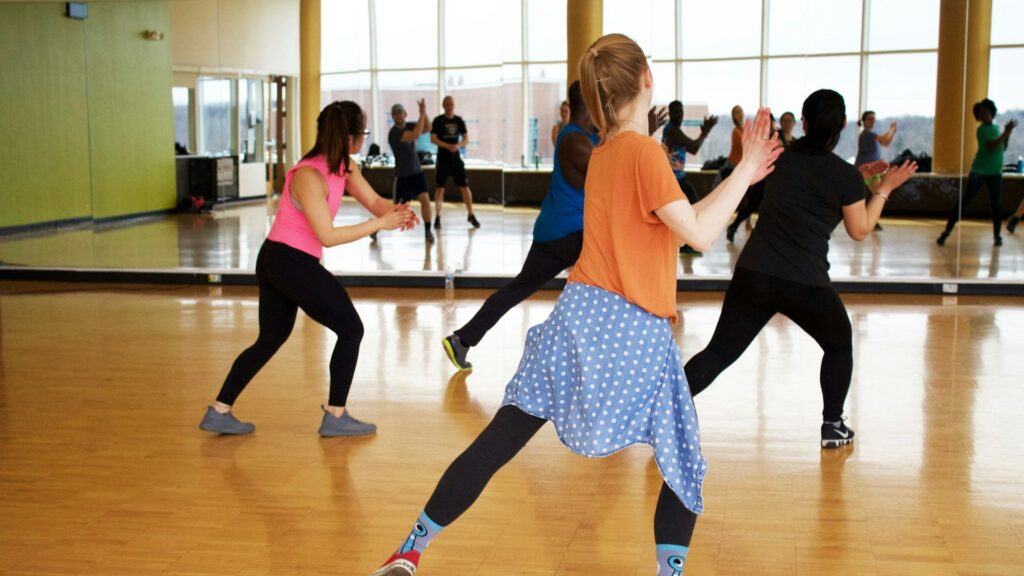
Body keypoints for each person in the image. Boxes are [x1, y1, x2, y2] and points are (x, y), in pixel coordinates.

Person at [370, 33, 781, 576]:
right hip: (634, 326)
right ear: (646, 81)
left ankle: (411, 548)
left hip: (579, 313)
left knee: (501, 438)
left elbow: (678, 229)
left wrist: (741, 176)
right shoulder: (644, 153)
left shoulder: (607, 152)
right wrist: (746, 170)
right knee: (682, 456)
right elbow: (702, 235)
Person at [683, 89, 917, 450]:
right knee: (839, 343)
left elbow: (805, 177)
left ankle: (664, 410)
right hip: (804, 282)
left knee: (718, 352)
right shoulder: (843, 176)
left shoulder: (779, 157)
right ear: (842, 125)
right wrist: (883, 187)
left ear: (803, 122)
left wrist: (856, 177)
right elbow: (860, 229)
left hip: (754, 274)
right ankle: (833, 425)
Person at [198, 101, 418, 437]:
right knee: (351, 329)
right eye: (361, 132)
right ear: (349, 136)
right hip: (287, 262)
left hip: (284, 260)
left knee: (270, 338)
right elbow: (327, 237)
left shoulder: (345, 167)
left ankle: (219, 410)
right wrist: (379, 224)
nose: (362, 139)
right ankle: (336, 415)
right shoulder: (308, 175)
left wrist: (397, 212)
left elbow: (375, 202)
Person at [441, 82, 664, 372]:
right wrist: (639, 131)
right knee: (616, 282)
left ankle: (462, 339)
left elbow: (612, 151)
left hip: (557, 231)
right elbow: (616, 168)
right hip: (568, 234)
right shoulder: (575, 142)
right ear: (591, 105)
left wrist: (636, 131)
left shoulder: (586, 137)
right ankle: (607, 357)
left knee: (526, 289)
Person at [937, 99, 1017, 247]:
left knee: (996, 205)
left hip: (995, 172)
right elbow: (992, 145)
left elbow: (1003, 147)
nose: (984, 115)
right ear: (978, 117)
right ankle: (946, 232)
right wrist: (1006, 132)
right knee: (965, 202)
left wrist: (1008, 133)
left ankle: (997, 236)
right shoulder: (981, 130)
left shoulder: (996, 128)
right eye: (981, 113)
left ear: (992, 113)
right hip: (979, 171)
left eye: (986, 112)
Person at [388, 100, 435, 244]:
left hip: (417, 174)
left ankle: (428, 230)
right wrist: (421, 114)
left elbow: (427, 127)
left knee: (425, 201)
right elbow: (415, 135)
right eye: (394, 113)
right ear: (392, 117)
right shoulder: (394, 133)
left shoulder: (409, 125)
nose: (397, 115)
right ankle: (375, 229)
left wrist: (424, 112)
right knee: (397, 210)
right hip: (403, 177)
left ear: (405, 114)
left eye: (399, 112)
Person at [726, 113, 776, 243]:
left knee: (765, 206)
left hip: (773, 178)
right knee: (753, 204)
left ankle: (759, 233)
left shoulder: (781, 137)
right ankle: (733, 226)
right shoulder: (761, 138)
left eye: (769, 122)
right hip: (759, 177)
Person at [431, 96, 479, 229]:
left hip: (456, 159)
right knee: (440, 188)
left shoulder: (458, 120)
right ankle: (438, 216)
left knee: (464, 187)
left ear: (454, 105)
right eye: (446, 104)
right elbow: (433, 139)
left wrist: (458, 145)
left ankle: (471, 214)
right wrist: (447, 145)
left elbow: (466, 138)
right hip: (443, 159)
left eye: (451, 103)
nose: (449, 106)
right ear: (443, 105)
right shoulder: (438, 120)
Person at [661, 100, 718, 205]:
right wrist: (705, 132)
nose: (679, 115)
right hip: (675, 179)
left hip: (678, 177)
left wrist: (704, 132)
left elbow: (692, 148)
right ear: (670, 113)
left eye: (681, 112)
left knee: (693, 203)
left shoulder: (674, 130)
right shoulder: (672, 131)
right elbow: (694, 148)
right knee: (694, 204)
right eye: (676, 112)